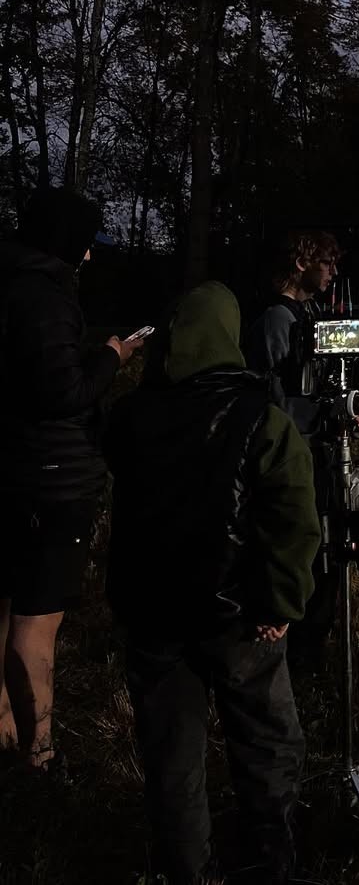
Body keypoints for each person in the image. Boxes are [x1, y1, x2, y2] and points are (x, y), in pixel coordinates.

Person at [104, 281, 320, 885]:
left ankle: (186, 870)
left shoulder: (130, 417)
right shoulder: (264, 419)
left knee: (173, 760)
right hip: (241, 618)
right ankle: (272, 859)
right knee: (268, 742)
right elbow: (294, 521)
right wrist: (282, 601)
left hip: (154, 617)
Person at [0, 186, 142, 774]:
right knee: (37, 621)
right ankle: (40, 753)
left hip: (9, 469)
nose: (89, 258)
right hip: (51, 479)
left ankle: (5, 728)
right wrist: (112, 356)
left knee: (5, 604)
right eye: (85, 247)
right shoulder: (46, 299)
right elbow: (63, 393)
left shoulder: (8, 282)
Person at [242, 230, 359, 667]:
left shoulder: (308, 313)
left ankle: (314, 634)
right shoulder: (278, 320)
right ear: (301, 263)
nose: (333, 272)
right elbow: (280, 402)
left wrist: (344, 410)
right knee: (306, 543)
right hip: (296, 452)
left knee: (329, 544)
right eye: (326, 263)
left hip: (317, 444)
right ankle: (297, 644)